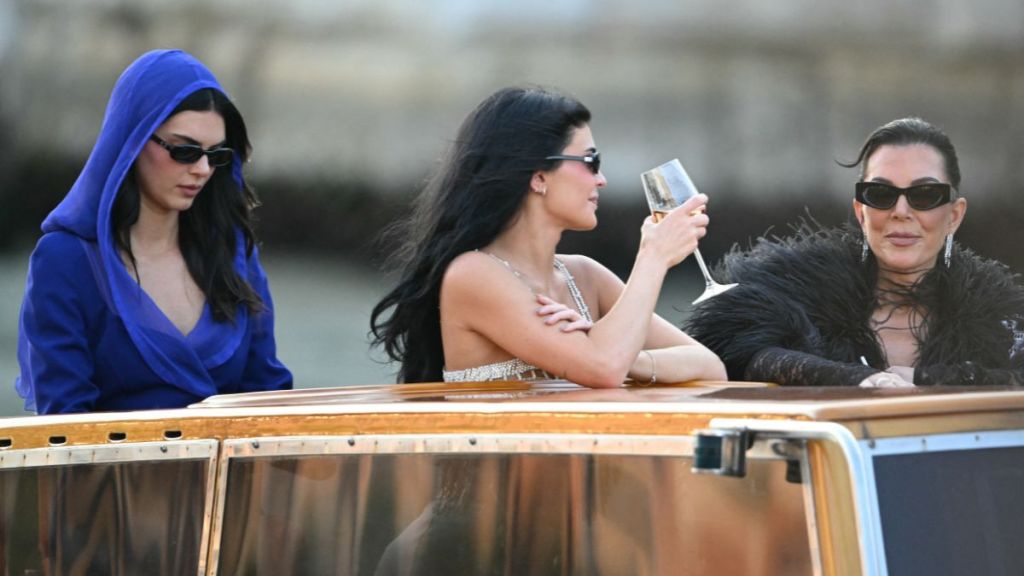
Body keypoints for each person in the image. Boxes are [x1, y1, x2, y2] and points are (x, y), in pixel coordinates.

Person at [370, 87, 726, 387]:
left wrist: (633, 359)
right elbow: (603, 367)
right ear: (539, 177)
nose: (601, 180)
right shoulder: (472, 274)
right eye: (591, 161)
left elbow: (711, 367)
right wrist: (653, 257)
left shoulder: (585, 275)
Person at [15, 49, 292, 413]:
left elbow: (267, 396)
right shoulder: (65, 260)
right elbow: (65, 421)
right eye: (184, 151)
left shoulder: (233, 252)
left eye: (216, 155)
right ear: (132, 139)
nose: (203, 169)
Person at [686, 117, 1024, 387]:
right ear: (861, 212)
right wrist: (857, 379)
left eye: (924, 195)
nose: (901, 212)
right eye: (880, 194)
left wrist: (926, 378)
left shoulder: (1005, 323)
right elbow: (743, 357)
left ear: (954, 215)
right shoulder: (791, 302)